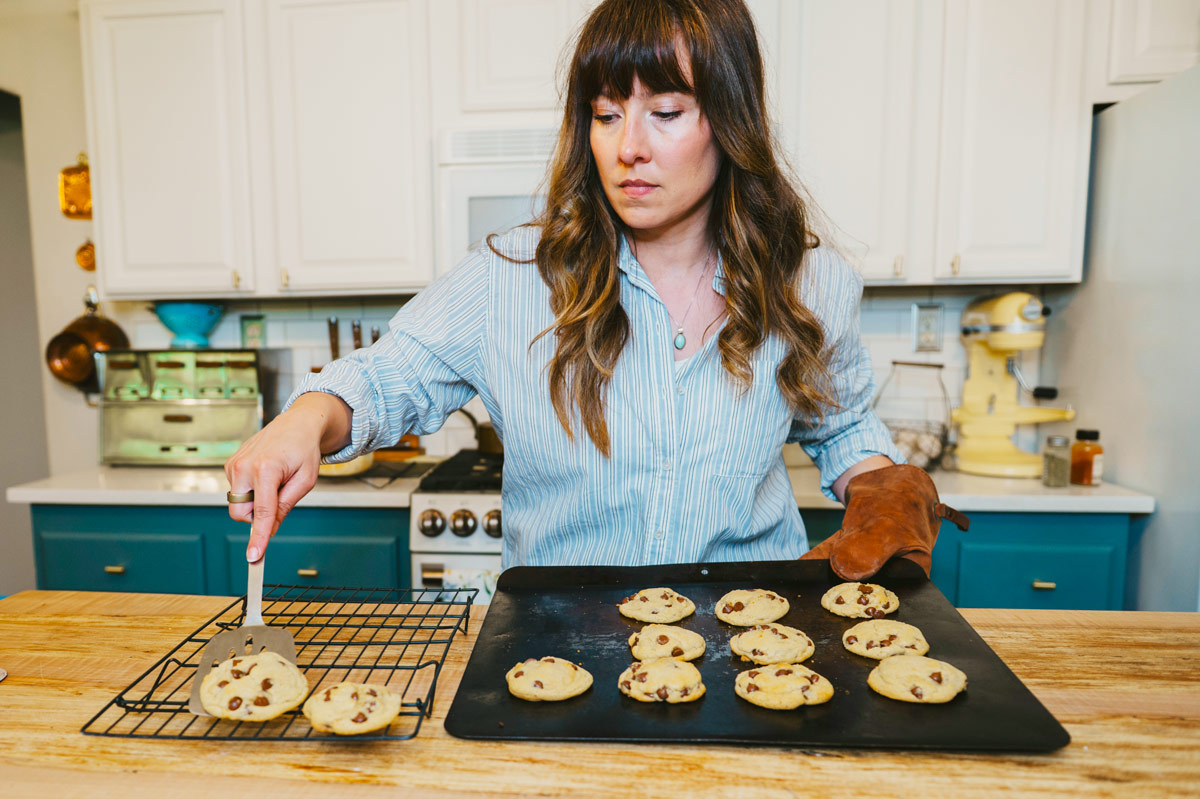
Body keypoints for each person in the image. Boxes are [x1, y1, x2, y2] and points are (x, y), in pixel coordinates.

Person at [225, 0, 965, 579]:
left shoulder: (812, 282)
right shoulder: (511, 277)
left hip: (746, 640)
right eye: (606, 114)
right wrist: (304, 419)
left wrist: (882, 488)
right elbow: (387, 378)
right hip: (560, 642)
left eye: (665, 112)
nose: (627, 146)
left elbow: (840, 428)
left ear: (731, 121)